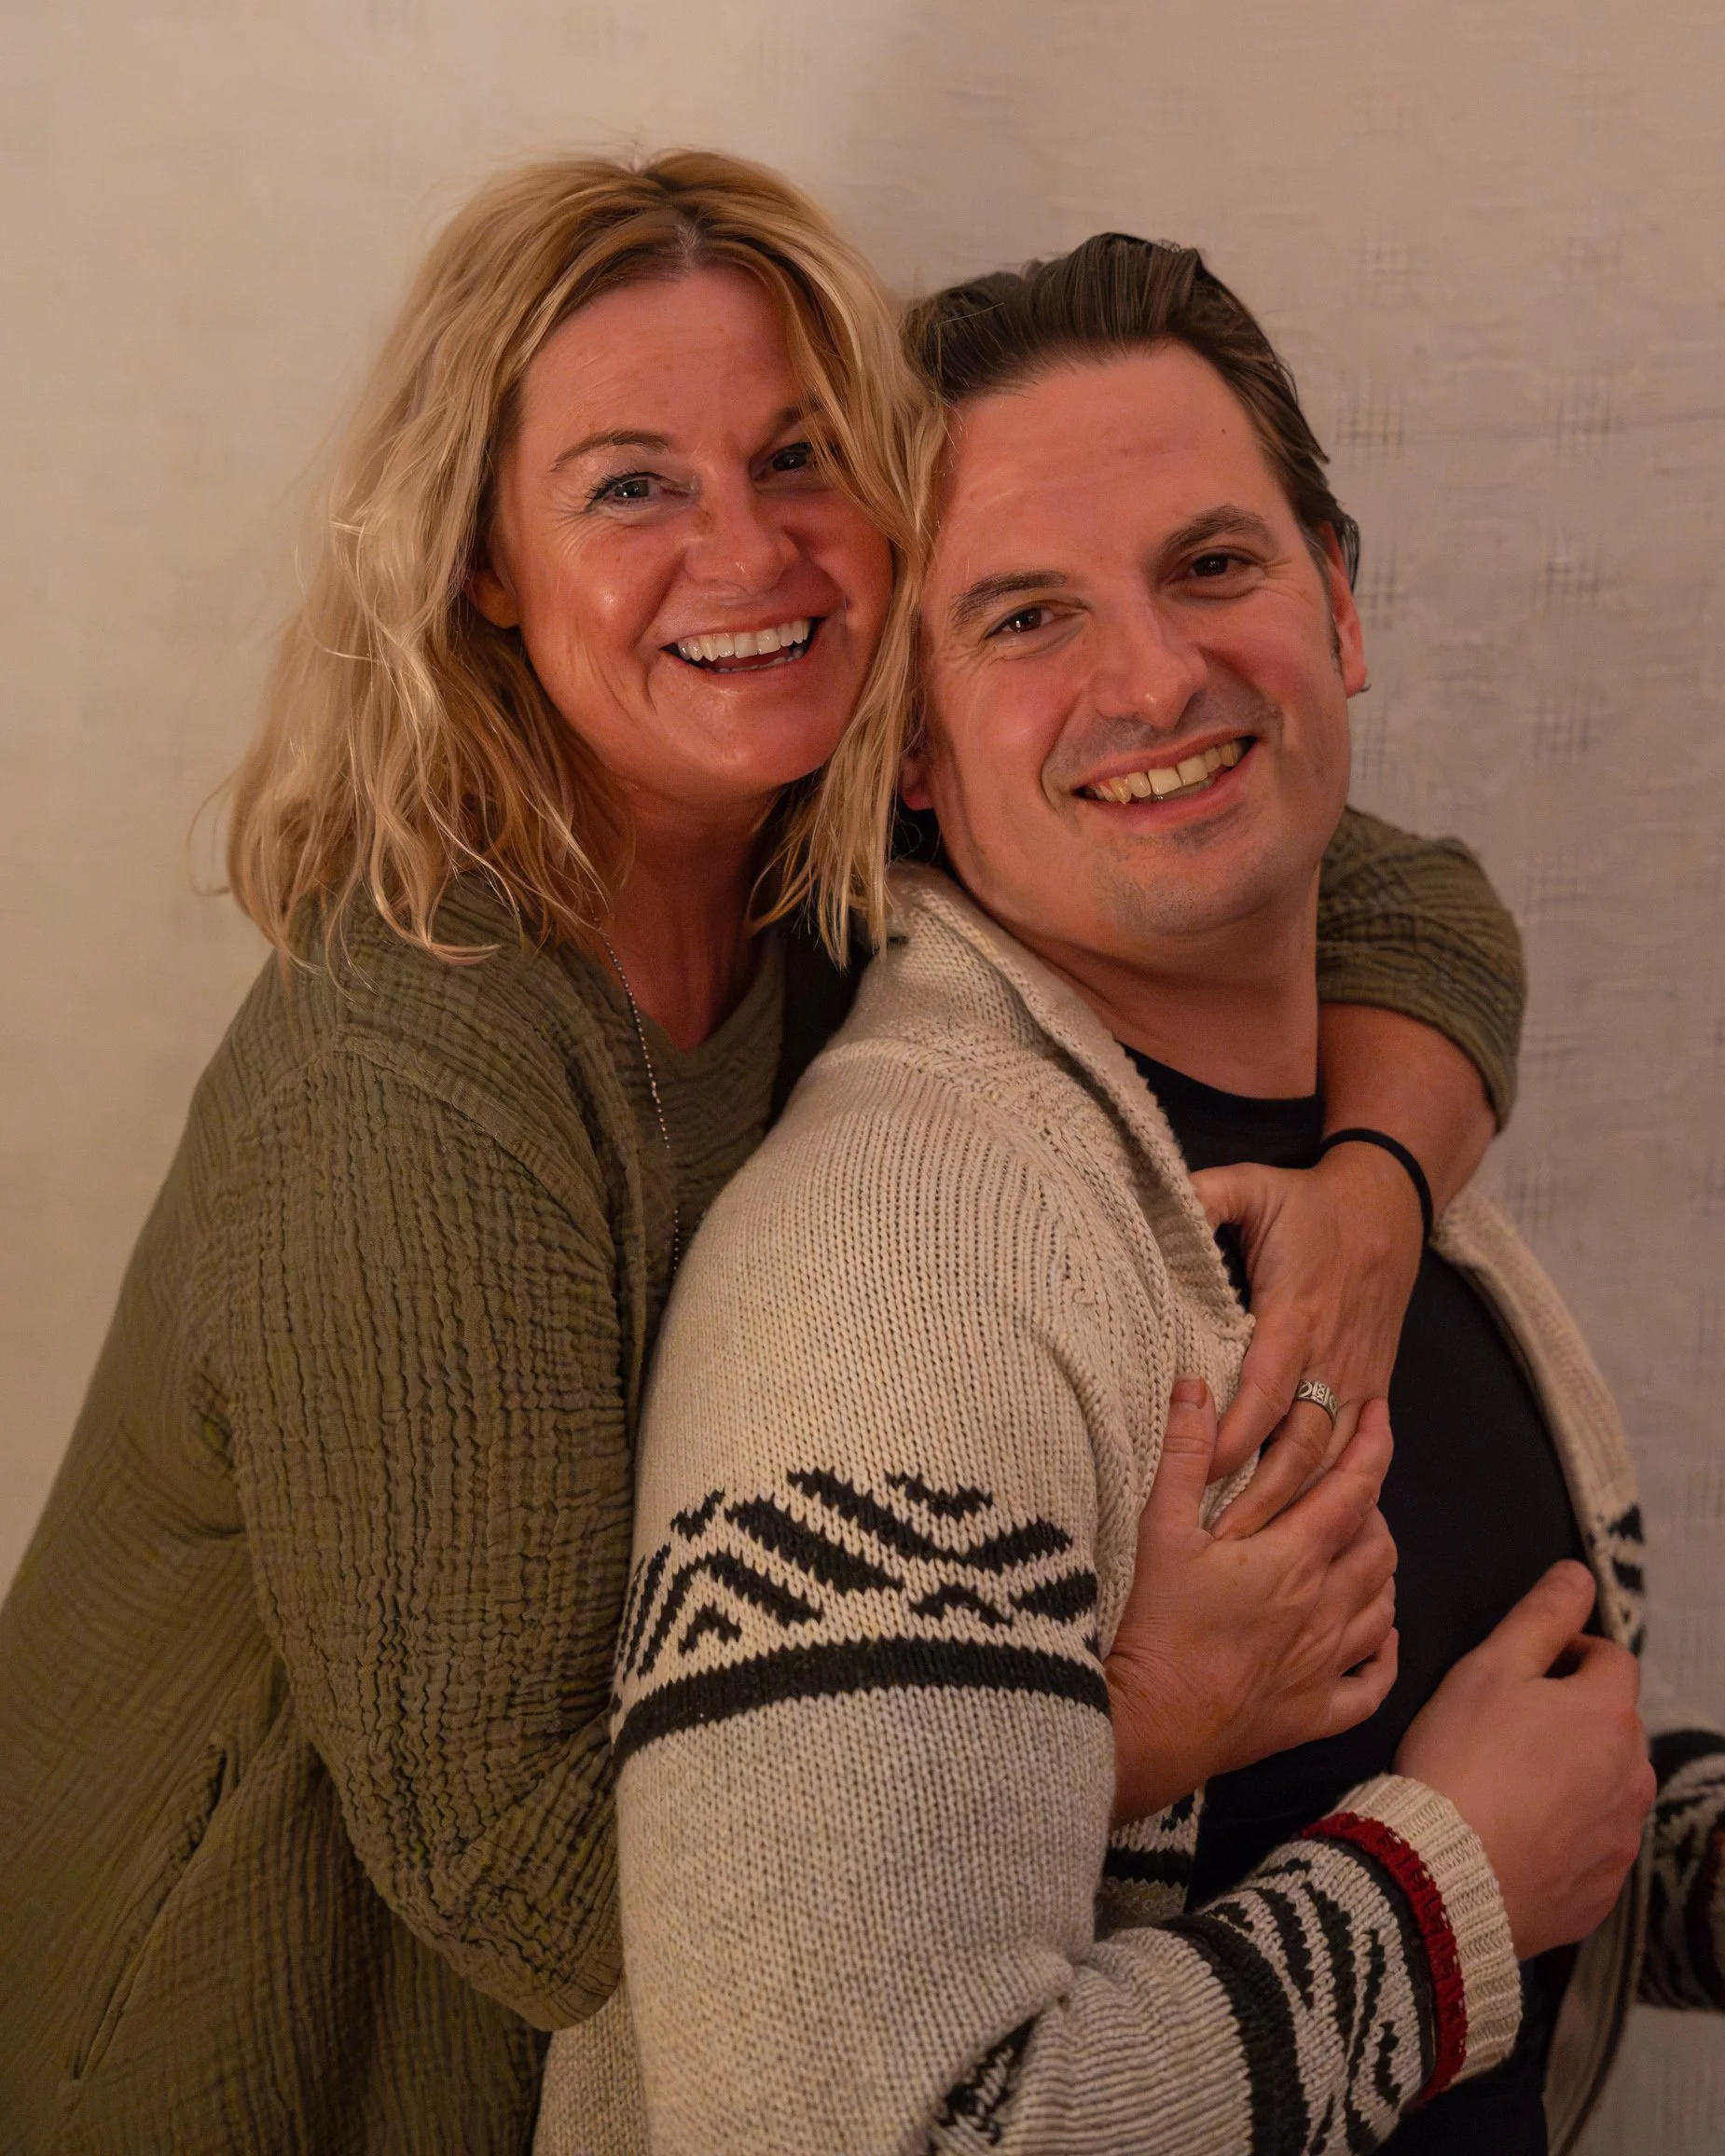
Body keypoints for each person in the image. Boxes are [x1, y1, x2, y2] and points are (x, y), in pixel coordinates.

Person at [0, 158, 1522, 2156]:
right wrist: (1153, 1707)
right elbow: (516, 1877)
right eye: (633, 485)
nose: (748, 550)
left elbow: (1402, 899)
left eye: (800, 458)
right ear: (481, 557)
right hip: (259, 2036)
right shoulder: (410, 1080)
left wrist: (1375, 1193)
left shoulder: (820, 857)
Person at [566, 234, 1725, 2156]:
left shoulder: (1370, 1157)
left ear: (1338, 604)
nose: (1156, 675)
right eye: (1023, 619)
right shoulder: (899, 1267)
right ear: (907, 745)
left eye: (1212, 565)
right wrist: (1452, 1906)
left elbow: (1435, 1721)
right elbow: (840, 2122)